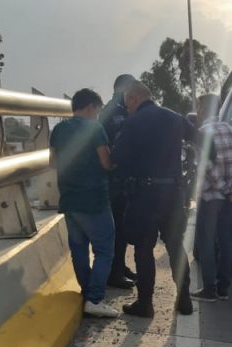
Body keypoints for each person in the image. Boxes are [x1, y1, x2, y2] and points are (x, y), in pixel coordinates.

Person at [112, 82, 194, 318]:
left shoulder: (132, 122)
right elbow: (201, 141)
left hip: (145, 195)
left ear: (134, 98)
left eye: (128, 103)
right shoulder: (175, 118)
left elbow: (117, 157)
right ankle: (184, 299)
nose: (128, 108)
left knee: (143, 249)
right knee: (175, 246)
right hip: (173, 193)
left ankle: (145, 303)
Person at [50, 88, 120, 318]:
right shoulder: (94, 128)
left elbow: (53, 163)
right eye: (97, 111)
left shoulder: (59, 129)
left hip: (69, 198)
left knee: (78, 249)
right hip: (94, 199)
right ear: (90, 107)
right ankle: (95, 298)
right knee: (104, 250)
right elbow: (106, 162)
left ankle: (87, 292)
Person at [190, 94, 232, 302]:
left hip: (210, 197)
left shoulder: (202, 133)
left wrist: (226, 190)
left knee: (206, 243)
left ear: (202, 110)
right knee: (225, 241)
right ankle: (223, 288)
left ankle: (209, 289)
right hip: (229, 199)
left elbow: (208, 168)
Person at [99, 74, 138, 289]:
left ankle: (120, 267)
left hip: (121, 178)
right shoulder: (113, 113)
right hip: (115, 179)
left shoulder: (121, 110)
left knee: (122, 227)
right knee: (117, 229)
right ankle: (114, 273)